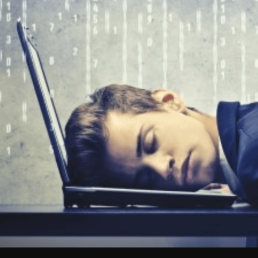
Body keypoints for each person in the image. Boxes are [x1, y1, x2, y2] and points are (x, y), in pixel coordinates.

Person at [65, 84, 258, 206]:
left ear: (169, 102)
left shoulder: (251, 158)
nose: (162, 169)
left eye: (151, 142)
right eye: (146, 180)